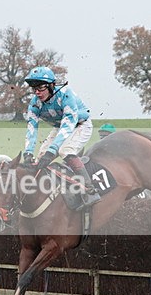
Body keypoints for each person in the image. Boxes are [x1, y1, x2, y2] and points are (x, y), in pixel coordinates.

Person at [22, 66, 101, 209]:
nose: (37, 92)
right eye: (34, 88)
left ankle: (90, 190)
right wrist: (28, 153)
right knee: (40, 159)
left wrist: (52, 150)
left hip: (80, 125)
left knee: (65, 150)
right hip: (60, 127)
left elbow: (68, 124)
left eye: (41, 87)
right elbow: (32, 128)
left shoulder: (66, 94)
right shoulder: (35, 103)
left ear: (52, 85)